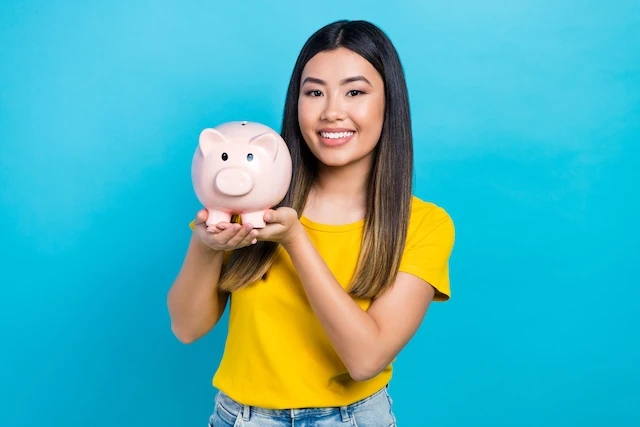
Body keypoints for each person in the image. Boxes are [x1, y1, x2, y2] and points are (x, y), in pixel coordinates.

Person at [167, 19, 455, 427]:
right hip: (240, 417)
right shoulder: (253, 198)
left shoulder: (423, 224)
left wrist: (296, 240)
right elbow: (187, 328)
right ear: (296, 102)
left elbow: (366, 359)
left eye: (355, 92)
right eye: (314, 92)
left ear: (389, 103)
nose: (332, 112)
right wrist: (206, 246)